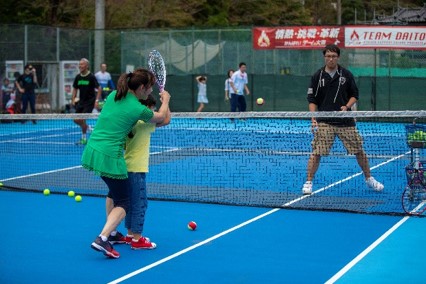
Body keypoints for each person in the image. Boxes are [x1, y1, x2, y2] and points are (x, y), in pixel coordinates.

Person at [82, 68, 171, 259]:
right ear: (140, 87)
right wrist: (166, 101)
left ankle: (113, 234)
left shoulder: (115, 94)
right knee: (124, 202)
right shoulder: (137, 108)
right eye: (149, 88)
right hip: (110, 155)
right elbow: (162, 117)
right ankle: (103, 238)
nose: (150, 91)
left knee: (113, 192)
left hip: (93, 149)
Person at [302, 44, 384, 195]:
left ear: (338, 57)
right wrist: (314, 119)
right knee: (316, 152)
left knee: (359, 151)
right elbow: (312, 99)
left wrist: (347, 107)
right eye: (328, 56)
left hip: (345, 121)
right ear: (324, 57)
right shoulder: (317, 76)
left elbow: (355, 95)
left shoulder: (346, 74)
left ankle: (369, 178)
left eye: (333, 56)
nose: (331, 59)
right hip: (325, 121)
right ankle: (308, 182)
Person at [108, 94, 171, 250]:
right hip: (137, 169)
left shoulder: (130, 123)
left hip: (126, 168)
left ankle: (130, 235)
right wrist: (166, 101)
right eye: (152, 108)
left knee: (130, 203)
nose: (154, 111)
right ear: (146, 108)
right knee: (140, 204)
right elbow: (166, 119)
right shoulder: (143, 123)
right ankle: (137, 239)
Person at [71, 58, 102, 144]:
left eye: (82, 64)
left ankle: (84, 139)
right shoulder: (78, 77)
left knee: (82, 119)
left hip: (90, 102)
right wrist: (73, 99)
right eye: (79, 64)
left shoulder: (91, 77)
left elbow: (99, 88)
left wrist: (96, 100)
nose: (80, 66)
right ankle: (89, 129)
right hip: (81, 102)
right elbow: (75, 89)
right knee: (75, 120)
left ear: (87, 66)